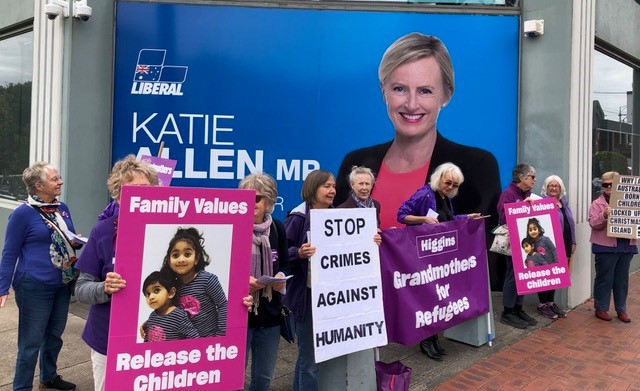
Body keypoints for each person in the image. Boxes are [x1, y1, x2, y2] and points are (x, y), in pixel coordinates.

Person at [335, 32, 500, 231]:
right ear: (383, 91)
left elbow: (485, 252)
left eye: (425, 91)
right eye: (399, 89)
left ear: (447, 95)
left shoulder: (477, 166)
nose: (412, 104)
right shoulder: (355, 162)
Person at [285, 169, 381, 390]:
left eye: (334, 186)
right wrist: (298, 253)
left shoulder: (335, 214)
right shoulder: (298, 217)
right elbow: (281, 255)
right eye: (326, 186)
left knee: (309, 357)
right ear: (312, 187)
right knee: (309, 359)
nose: (332, 191)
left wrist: (370, 240)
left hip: (330, 295)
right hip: (307, 297)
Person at [75, 155, 159, 391]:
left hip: (158, 343)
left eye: (146, 189)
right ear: (118, 196)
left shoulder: (172, 230)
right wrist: (104, 288)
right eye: (131, 191)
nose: (141, 196)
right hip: (109, 340)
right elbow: (81, 289)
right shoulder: (102, 231)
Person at [0, 162, 81, 391]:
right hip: (34, 285)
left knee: (54, 336)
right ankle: (21, 387)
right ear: (39, 186)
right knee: (30, 344)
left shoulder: (61, 207)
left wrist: (75, 241)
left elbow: (69, 236)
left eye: (59, 177)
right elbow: (9, 253)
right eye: (55, 179)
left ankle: (48, 377)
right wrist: (2, 287)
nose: (60, 182)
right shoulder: (22, 215)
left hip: (62, 282)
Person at [396, 162, 480, 360]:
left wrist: (467, 217)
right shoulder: (425, 194)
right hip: (423, 256)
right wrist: (423, 220)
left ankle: (433, 338)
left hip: (439, 257)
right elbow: (401, 215)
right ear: (439, 178)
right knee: (428, 297)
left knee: (437, 299)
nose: (450, 187)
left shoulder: (444, 198)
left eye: (454, 185)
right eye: (448, 182)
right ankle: (426, 340)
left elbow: (447, 219)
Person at [239, 173, 290, 391]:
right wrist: (241, 282)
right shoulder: (233, 227)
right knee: (232, 379)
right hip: (239, 317)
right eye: (246, 197)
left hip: (270, 316)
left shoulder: (277, 228)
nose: (251, 203)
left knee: (264, 379)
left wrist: (280, 278)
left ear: (268, 201)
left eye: (257, 198)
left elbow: (286, 264)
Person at [159, 227, 228, 336]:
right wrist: (150, 324)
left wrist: (221, 335)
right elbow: (166, 311)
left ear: (197, 258)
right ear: (169, 260)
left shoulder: (208, 280)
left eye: (187, 254)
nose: (181, 259)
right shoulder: (172, 287)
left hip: (210, 342)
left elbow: (223, 305)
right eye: (175, 255)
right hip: (185, 346)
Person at [589, 171, 636, 323]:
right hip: (605, 247)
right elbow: (593, 223)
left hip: (625, 246)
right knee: (604, 278)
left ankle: (621, 309)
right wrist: (604, 215)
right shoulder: (597, 204)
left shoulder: (632, 200)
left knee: (622, 280)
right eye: (605, 184)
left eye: (612, 184)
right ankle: (601, 308)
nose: (608, 187)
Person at [497, 164, 538, 329]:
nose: (535, 180)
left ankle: (518, 308)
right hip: (513, 241)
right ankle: (507, 312)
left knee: (524, 275)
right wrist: (522, 206)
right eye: (532, 176)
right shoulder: (508, 194)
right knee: (513, 276)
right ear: (522, 178)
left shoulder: (528, 194)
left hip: (526, 242)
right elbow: (503, 216)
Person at [538, 175, 575, 318]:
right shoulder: (542, 203)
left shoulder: (564, 203)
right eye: (550, 185)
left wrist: (573, 241)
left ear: (561, 188)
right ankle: (542, 304)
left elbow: (570, 224)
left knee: (556, 274)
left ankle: (551, 303)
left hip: (564, 243)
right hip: (549, 246)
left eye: (556, 186)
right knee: (546, 274)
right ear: (545, 188)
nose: (553, 188)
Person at [142, 271, 199, 342]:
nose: (151, 297)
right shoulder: (152, 316)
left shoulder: (179, 316)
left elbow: (194, 338)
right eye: (148, 294)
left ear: (171, 293)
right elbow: (147, 340)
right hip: (155, 353)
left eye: (156, 290)